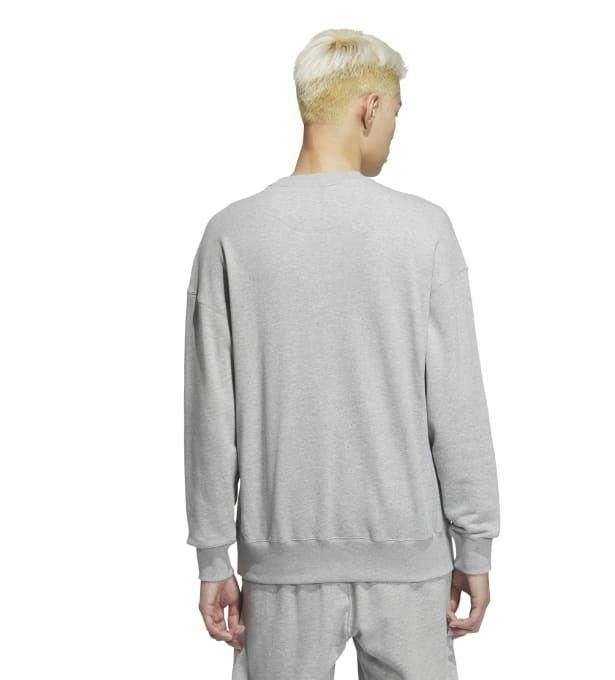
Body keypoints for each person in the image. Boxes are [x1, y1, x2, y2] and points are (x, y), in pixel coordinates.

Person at [184, 27, 501, 680]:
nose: (392, 133)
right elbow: (457, 403)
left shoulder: (231, 234)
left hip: (280, 564)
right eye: (395, 115)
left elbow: (211, 413)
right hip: (408, 562)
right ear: (369, 107)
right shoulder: (424, 230)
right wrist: (475, 545)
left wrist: (214, 557)